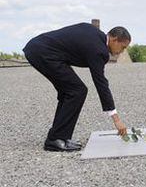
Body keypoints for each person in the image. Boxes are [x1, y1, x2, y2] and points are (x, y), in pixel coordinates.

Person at [23, 22, 130, 152]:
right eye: (123, 47)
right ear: (114, 40)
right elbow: (101, 83)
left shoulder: (95, 34)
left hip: (38, 49)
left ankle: (58, 137)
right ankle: (55, 139)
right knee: (77, 91)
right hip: (43, 53)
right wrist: (116, 119)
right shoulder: (99, 50)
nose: (122, 51)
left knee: (69, 91)